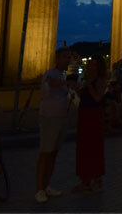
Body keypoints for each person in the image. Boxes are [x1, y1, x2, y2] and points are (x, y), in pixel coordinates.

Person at [36, 47, 77, 203]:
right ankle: (39, 189)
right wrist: (66, 82)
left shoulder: (60, 74)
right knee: (45, 153)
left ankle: (46, 186)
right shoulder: (51, 73)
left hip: (60, 118)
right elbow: (50, 83)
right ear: (58, 58)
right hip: (50, 118)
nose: (69, 60)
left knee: (53, 154)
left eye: (69, 57)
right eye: (66, 57)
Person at [75, 55, 107, 194]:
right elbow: (83, 96)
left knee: (94, 147)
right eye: (88, 64)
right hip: (84, 114)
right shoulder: (87, 79)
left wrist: (88, 86)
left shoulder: (101, 80)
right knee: (83, 147)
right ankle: (85, 181)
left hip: (93, 115)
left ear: (98, 67)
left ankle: (96, 180)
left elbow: (98, 98)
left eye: (92, 64)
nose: (89, 66)